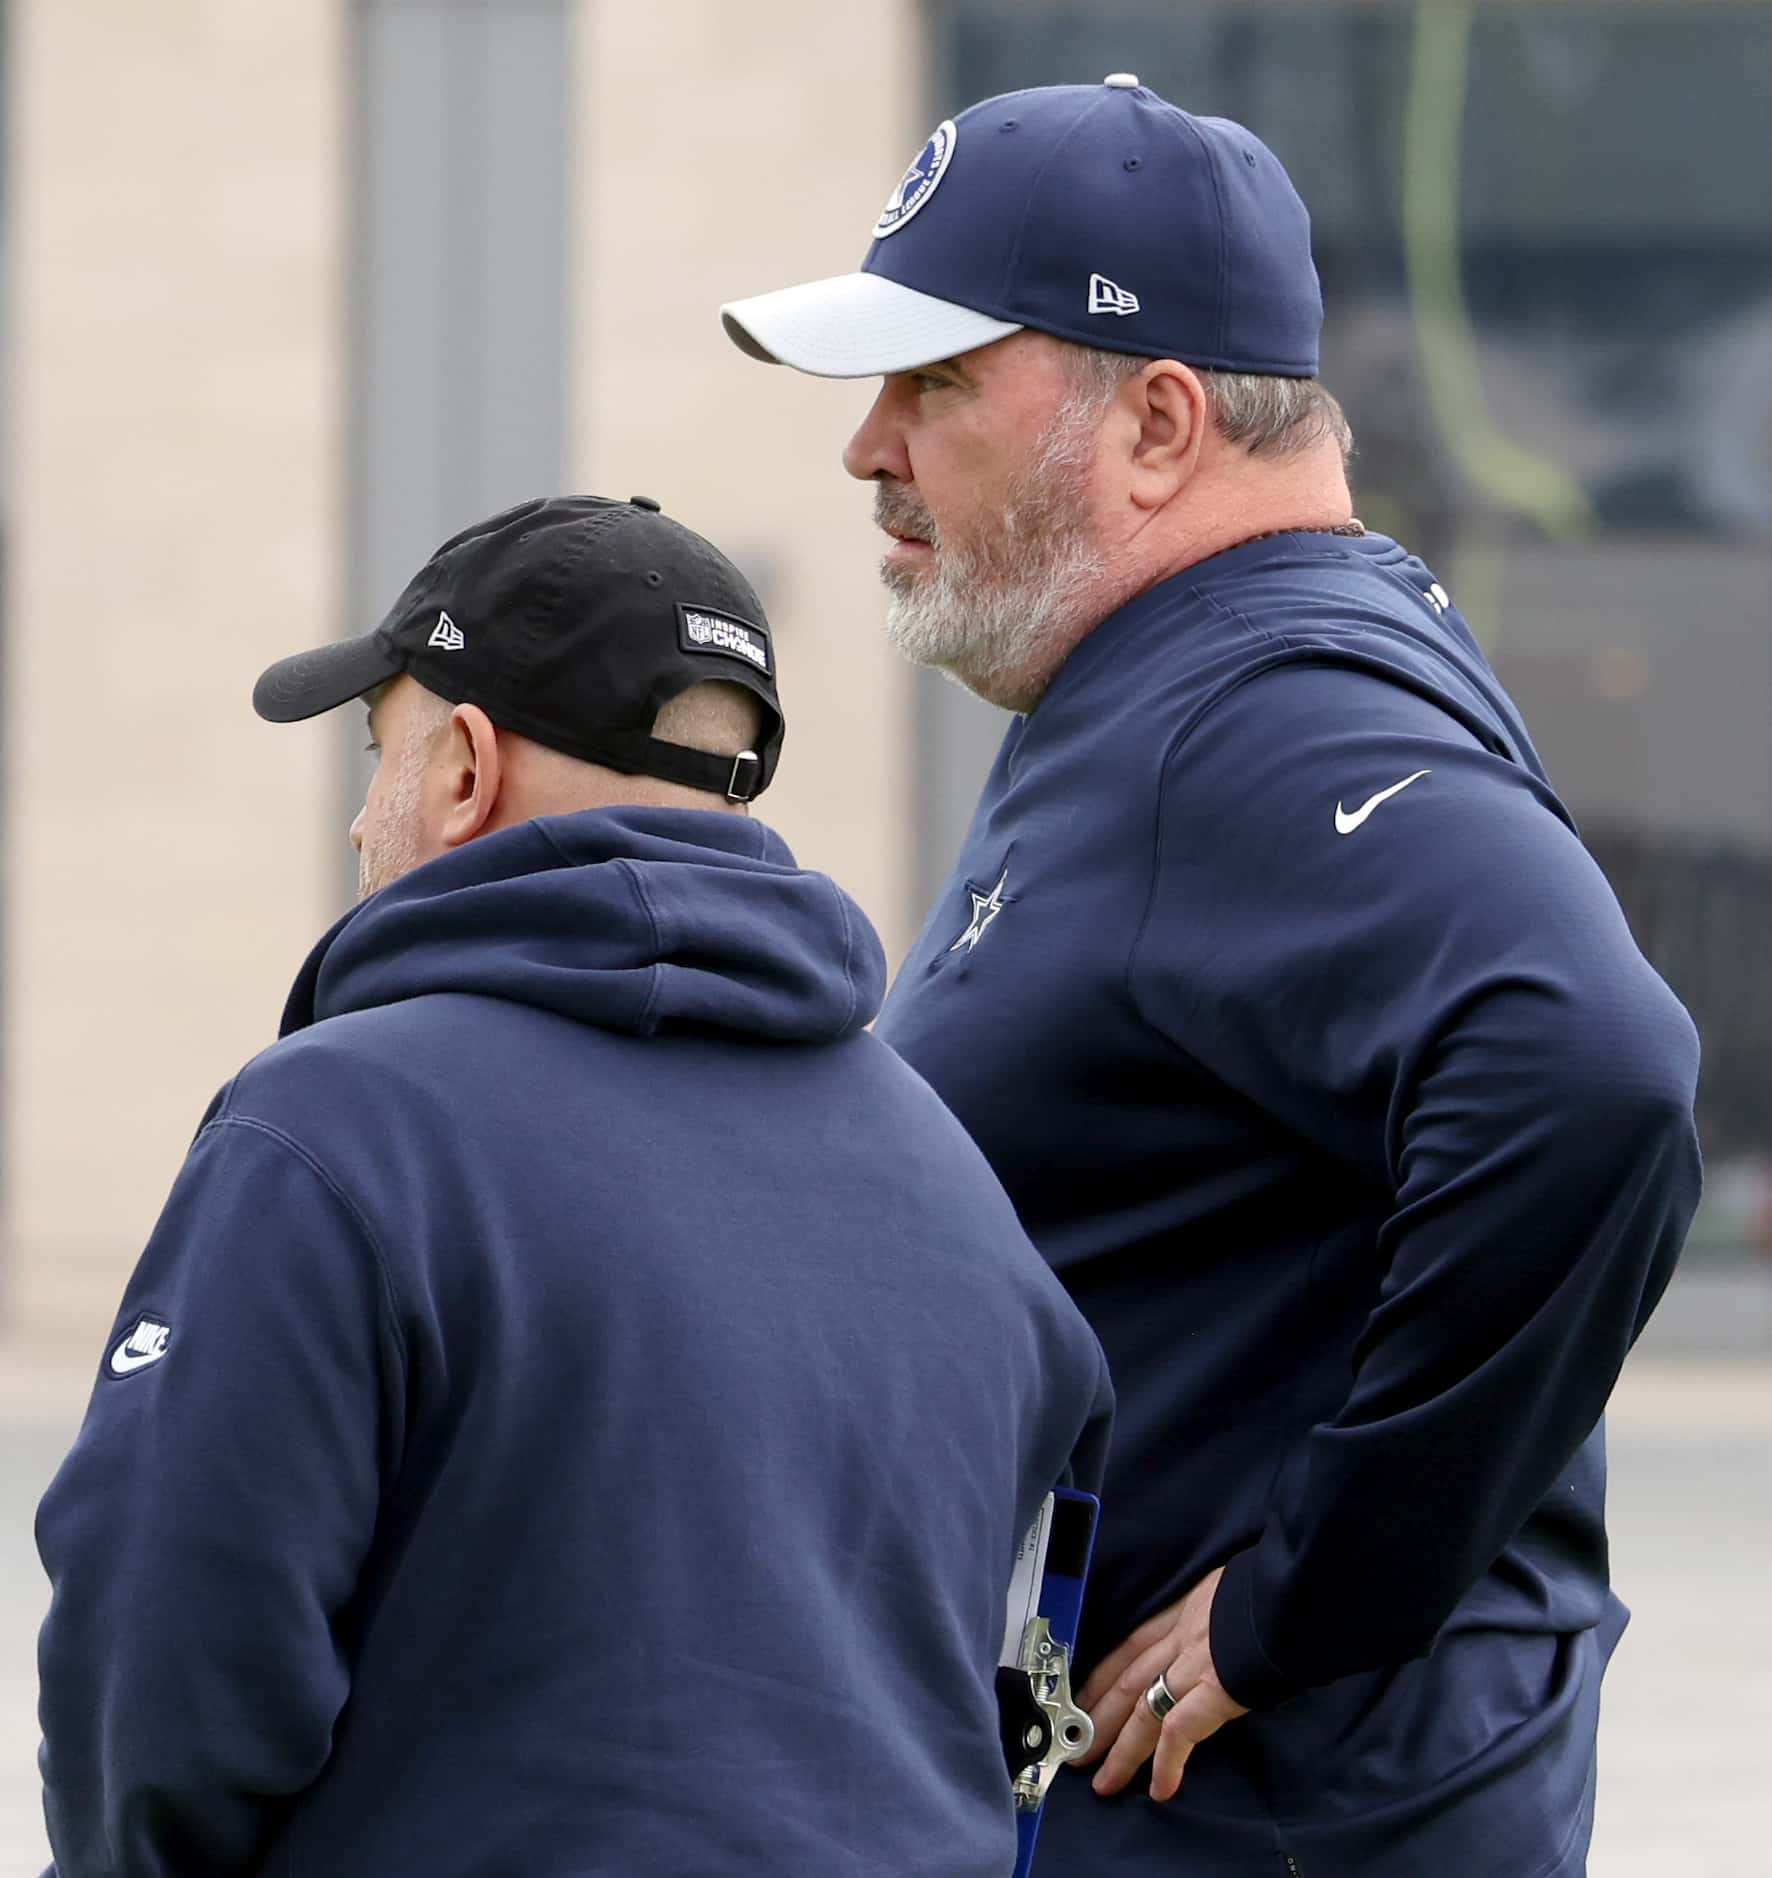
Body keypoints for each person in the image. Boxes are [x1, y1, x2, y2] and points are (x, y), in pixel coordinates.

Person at [720, 78, 1703, 1878]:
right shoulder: (1193, 675)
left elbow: (1591, 1078)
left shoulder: (1255, 713)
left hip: (1278, 1816)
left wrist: (1311, 1590)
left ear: (1160, 421)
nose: (870, 447)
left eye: (935, 384)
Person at [34, 494, 1114, 1877]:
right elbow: (1016, 1691)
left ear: (466, 770)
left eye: (380, 755)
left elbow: (160, 1674)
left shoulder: (336, 1130)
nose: (364, 823)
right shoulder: (957, 1188)